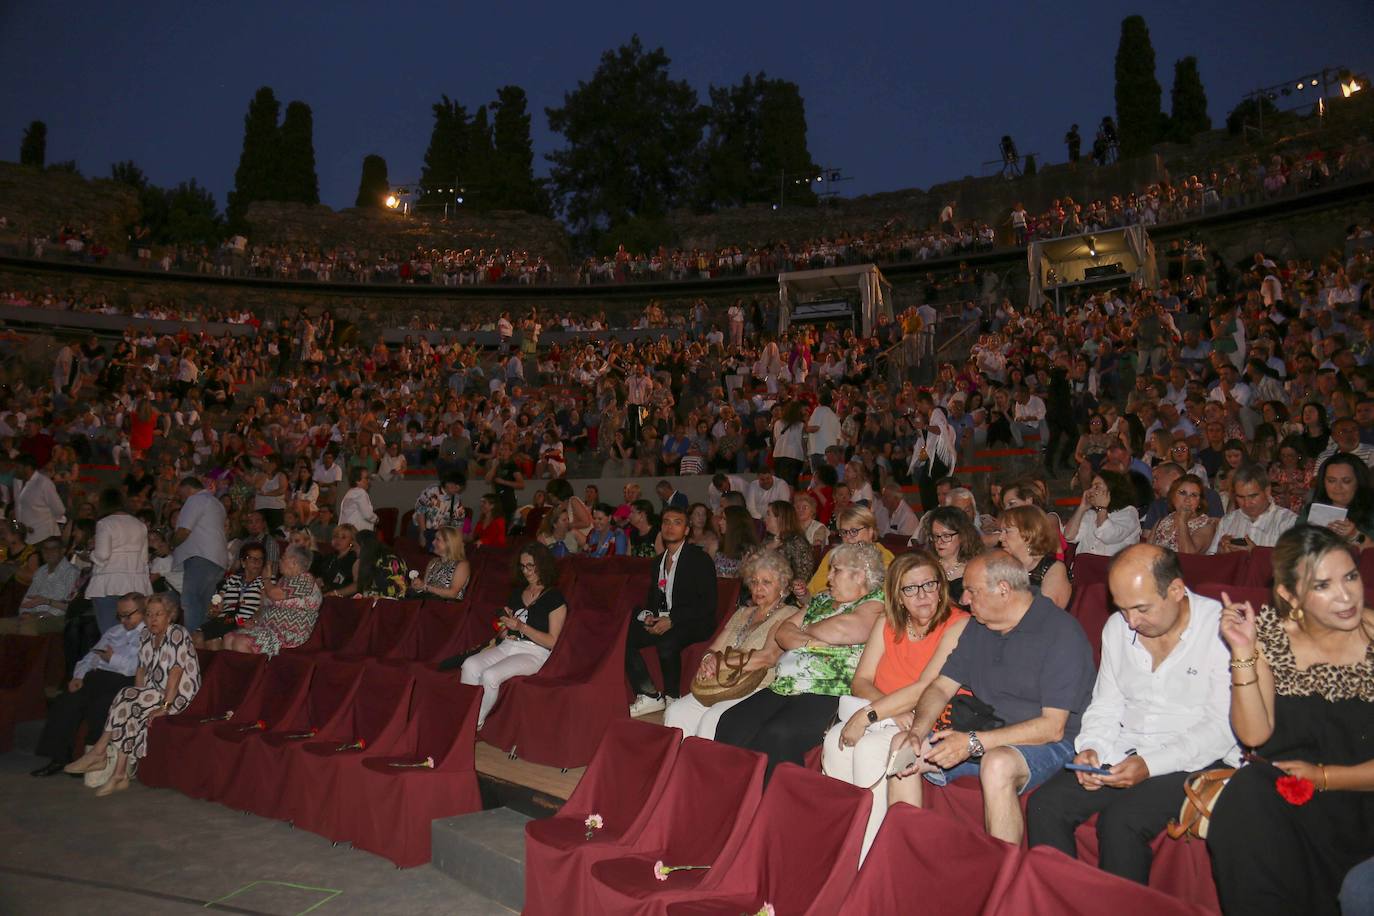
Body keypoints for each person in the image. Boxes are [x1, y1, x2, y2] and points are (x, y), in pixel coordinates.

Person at [1026, 544, 1239, 884]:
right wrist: (1092, 747)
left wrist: (1151, 765)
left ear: (1176, 590)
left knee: (1121, 822)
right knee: (1045, 806)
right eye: (1123, 609)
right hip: (1128, 746)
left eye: (1141, 609)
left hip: (1197, 757)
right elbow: (1107, 703)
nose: (1132, 622)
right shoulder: (1117, 627)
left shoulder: (1220, 630)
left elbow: (1221, 729)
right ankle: (1061, 901)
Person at [1208, 525, 1374, 915]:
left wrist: (1324, 776)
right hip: (1293, 799)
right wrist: (1243, 650)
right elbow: (1254, 734)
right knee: (1247, 791)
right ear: (1289, 594)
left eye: (1350, 576)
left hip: (1363, 797)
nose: (1346, 595)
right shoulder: (1270, 635)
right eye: (1323, 585)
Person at [888, 551, 1096, 844]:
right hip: (990, 728)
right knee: (902, 746)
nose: (964, 600)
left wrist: (972, 742)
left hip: (1054, 743)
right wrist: (917, 732)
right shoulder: (980, 626)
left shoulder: (1061, 633)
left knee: (997, 763)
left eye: (972, 591)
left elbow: (1053, 727)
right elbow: (940, 687)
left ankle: (1003, 875)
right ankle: (902, 858)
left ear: (1003, 589)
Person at [824, 550, 970, 856]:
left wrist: (869, 715)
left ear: (941, 587)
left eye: (930, 585)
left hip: (926, 717)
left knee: (868, 749)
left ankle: (873, 855)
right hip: (891, 714)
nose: (922, 595)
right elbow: (861, 680)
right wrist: (891, 709)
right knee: (835, 741)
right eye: (911, 589)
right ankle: (843, 847)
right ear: (898, 595)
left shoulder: (958, 624)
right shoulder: (887, 623)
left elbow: (925, 688)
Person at [715, 542, 886, 775]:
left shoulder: (876, 602)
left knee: (778, 734)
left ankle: (776, 803)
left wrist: (805, 628)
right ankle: (734, 794)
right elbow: (783, 633)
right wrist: (811, 642)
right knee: (731, 722)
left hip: (830, 690)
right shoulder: (822, 600)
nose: (828, 577)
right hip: (787, 684)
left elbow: (845, 630)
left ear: (860, 576)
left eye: (836, 570)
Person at [63, 593, 200, 797]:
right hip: (153, 691)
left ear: (170, 616)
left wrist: (164, 707)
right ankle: (119, 774)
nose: (152, 619)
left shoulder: (177, 633)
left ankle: (100, 753)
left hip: (178, 693)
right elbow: (141, 670)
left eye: (158, 614)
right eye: (149, 614)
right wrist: (138, 694)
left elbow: (176, 673)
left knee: (127, 697)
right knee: (128, 701)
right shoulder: (146, 635)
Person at [666, 549, 792, 739]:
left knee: (713, 719)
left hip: (756, 687)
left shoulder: (788, 614)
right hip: (722, 682)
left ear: (783, 586)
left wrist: (720, 664)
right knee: (675, 711)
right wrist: (708, 661)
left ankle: (702, 766)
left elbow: (767, 658)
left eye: (766, 582)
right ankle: (677, 765)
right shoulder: (743, 613)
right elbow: (714, 648)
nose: (758, 588)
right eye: (754, 582)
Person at [31, 593, 145, 777]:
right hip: (96, 676)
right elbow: (91, 656)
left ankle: (90, 758)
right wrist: (78, 676)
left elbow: (135, 667)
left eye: (128, 615)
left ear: (143, 611)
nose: (123, 620)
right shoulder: (113, 631)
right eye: (120, 615)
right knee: (65, 703)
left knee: (101, 706)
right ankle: (60, 758)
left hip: (123, 681)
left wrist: (112, 658)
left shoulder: (148, 635)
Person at [626, 506, 719, 716]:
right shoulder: (658, 561)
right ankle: (649, 694)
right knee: (627, 635)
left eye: (677, 522)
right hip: (666, 618)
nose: (670, 527)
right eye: (666, 522)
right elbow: (654, 598)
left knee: (667, 640)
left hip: (695, 621)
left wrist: (672, 620)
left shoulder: (699, 559)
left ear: (686, 530)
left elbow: (708, 604)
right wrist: (650, 616)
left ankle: (672, 698)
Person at [461, 544, 566, 726]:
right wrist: (505, 629)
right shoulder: (517, 593)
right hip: (509, 645)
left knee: (490, 676)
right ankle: (464, 717)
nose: (526, 571)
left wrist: (521, 627)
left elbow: (552, 642)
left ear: (542, 565)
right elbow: (504, 629)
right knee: (469, 665)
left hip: (535, 653)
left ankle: (472, 724)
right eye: (522, 566)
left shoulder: (554, 598)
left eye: (530, 566)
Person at [223, 546, 322, 657]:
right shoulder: (284, 580)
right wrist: (253, 621)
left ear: (293, 562)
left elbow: (274, 594)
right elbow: (265, 607)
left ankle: (253, 673)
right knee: (228, 637)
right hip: (267, 629)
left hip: (287, 633)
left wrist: (266, 578)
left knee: (241, 642)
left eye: (283, 558)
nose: (279, 561)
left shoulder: (305, 579)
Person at [170, 476, 228, 634]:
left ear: (188, 488)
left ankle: (192, 644)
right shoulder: (216, 502)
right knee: (205, 605)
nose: (180, 498)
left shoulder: (194, 500)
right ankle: (204, 643)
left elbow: (183, 531)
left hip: (202, 557)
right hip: (216, 559)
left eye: (180, 494)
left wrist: (171, 544)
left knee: (191, 601)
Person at [1208, 464, 1298, 553]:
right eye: (1240, 497)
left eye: (1253, 496)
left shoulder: (1288, 521)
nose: (1246, 504)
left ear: (1267, 491)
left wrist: (1257, 554)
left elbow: (1295, 563)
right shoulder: (1227, 521)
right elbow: (1211, 561)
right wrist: (1220, 553)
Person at [997, 506, 1071, 609]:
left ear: (1029, 533)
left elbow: (1046, 612)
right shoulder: (1006, 567)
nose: (1001, 538)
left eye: (1007, 531)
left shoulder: (1054, 568)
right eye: (1001, 532)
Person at [195, 543, 266, 649]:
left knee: (211, 640)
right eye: (251, 558)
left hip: (242, 621)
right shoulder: (231, 580)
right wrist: (213, 609)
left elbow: (264, 607)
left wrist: (254, 620)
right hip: (225, 621)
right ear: (243, 562)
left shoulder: (265, 582)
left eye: (260, 559)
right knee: (196, 638)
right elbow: (217, 601)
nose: (257, 562)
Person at [1299, 452, 1374, 546]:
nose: (1338, 487)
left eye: (1346, 481)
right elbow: (1294, 546)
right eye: (1331, 481)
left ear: (1359, 482)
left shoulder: (1370, 512)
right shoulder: (1311, 510)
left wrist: (1354, 535)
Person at [8, 537, 79, 634]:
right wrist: (25, 613)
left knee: (26, 628)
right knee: (4, 625)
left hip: (57, 618)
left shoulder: (72, 572)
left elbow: (67, 606)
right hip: (33, 616)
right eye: (45, 549)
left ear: (62, 550)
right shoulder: (41, 571)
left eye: (53, 548)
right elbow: (28, 598)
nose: (48, 552)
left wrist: (38, 616)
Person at [915, 506, 983, 606]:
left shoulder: (975, 568)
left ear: (962, 536)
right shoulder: (926, 566)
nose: (939, 542)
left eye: (946, 536)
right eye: (935, 536)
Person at [1064, 471, 1141, 557]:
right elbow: (1069, 536)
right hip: (1085, 566)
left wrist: (1102, 508)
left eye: (1097, 487)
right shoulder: (1091, 514)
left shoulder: (1129, 513)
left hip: (1112, 568)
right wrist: (1082, 508)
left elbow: (1107, 535)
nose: (1090, 491)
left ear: (1112, 490)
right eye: (1091, 487)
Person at [1147, 473, 1217, 554]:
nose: (1187, 499)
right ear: (1172, 496)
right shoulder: (1162, 521)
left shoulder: (1207, 525)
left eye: (1194, 495)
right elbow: (1147, 552)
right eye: (1182, 493)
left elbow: (1188, 555)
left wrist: (1182, 521)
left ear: (1200, 501)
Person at [760, 500, 814, 602]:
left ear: (780, 518)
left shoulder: (797, 542)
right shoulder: (768, 540)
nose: (764, 519)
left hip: (788, 596)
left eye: (768, 515)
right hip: (765, 590)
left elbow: (803, 576)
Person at [14, 455, 65, 545]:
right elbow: (18, 506)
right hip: (25, 536)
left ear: (28, 468)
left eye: (18, 467)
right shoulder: (17, 482)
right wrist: (19, 525)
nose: (15, 470)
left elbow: (59, 510)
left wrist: (42, 522)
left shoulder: (44, 483)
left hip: (45, 537)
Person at [413, 526, 470, 600]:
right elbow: (425, 587)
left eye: (438, 540)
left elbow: (453, 593)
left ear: (449, 543)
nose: (433, 542)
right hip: (428, 602)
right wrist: (418, 587)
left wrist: (425, 587)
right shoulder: (433, 562)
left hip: (447, 606)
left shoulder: (462, 565)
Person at [413, 473, 466, 549]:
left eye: (459, 487)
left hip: (439, 534)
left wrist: (459, 542)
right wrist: (422, 533)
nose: (457, 489)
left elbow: (458, 523)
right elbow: (420, 511)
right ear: (447, 483)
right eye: (455, 486)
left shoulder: (456, 500)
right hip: (421, 528)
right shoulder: (432, 491)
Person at [713, 504, 759, 579]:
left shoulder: (749, 550)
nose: (720, 522)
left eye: (724, 519)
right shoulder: (720, 545)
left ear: (735, 523)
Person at [319, 524, 361, 598]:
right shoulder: (330, 557)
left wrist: (335, 593)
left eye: (343, 537)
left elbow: (357, 585)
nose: (338, 540)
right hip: (325, 595)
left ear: (352, 541)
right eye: (336, 536)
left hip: (344, 598)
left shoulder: (355, 558)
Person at [338, 468, 379, 532]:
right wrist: (376, 519)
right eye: (366, 478)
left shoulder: (350, 492)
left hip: (347, 532)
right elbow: (368, 515)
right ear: (357, 480)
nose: (368, 481)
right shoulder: (360, 492)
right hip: (356, 533)